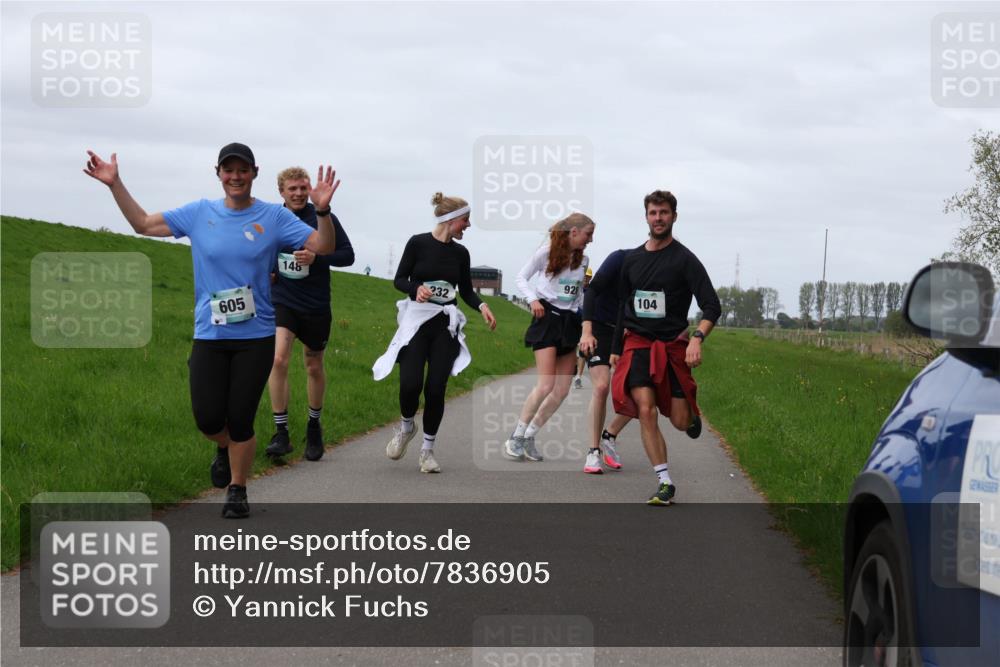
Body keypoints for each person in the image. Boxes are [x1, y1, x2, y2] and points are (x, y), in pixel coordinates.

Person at [83, 143, 339, 518]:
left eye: (243, 170)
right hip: (210, 334)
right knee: (207, 418)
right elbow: (142, 224)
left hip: (256, 336)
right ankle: (224, 447)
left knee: (241, 418)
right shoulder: (198, 213)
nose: (235, 177)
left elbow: (323, 245)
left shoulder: (273, 216)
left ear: (254, 172)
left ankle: (237, 489)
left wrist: (323, 211)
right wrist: (114, 184)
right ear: (218, 173)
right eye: (228, 170)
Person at [372, 193, 496, 473]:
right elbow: (399, 279)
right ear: (450, 220)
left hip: (444, 326)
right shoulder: (418, 243)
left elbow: (464, 290)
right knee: (410, 384)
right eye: (465, 220)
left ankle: (427, 451)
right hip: (417, 323)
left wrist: (483, 305)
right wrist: (415, 288)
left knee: (436, 388)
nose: (468, 226)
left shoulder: (460, 253)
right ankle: (406, 427)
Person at [610, 190, 720, 505]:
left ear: (674, 216)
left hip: (672, 347)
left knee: (680, 421)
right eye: (653, 213)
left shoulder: (685, 260)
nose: (658, 218)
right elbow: (623, 306)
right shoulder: (632, 260)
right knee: (645, 409)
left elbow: (712, 306)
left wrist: (697, 338)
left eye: (664, 213)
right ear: (646, 216)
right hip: (639, 344)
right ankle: (664, 481)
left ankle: (691, 416)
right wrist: (617, 346)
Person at [265, 167, 355, 462]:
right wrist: (269, 272)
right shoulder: (273, 219)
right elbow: (261, 252)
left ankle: (314, 426)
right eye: (292, 189)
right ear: (281, 192)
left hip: (315, 304)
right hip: (283, 300)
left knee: (313, 365)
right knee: (278, 357)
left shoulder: (322, 217)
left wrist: (317, 257)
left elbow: (347, 255)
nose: (299, 193)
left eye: (303, 188)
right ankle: (281, 433)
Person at [504, 213, 595, 462]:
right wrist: (532, 299)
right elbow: (520, 278)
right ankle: (516, 436)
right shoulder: (545, 253)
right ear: (574, 231)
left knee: (563, 389)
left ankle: (530, 435)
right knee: (546, 385)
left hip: (570, 323)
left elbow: (579, 296)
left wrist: (585, 324)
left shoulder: (584, 260)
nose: (591, 240)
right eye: (588, 234)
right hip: (547, 319)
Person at [579, 248, 633, 474]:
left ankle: (609, 436)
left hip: (628, 333)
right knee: (602, 387)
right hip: (600, 328)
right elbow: (591, 291)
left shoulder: (661, 275)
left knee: (642, 394)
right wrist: (587, 330)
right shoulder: (620, 258)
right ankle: (593, 452)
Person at [572, 266, 594, 390]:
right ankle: (573, 365)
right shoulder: (576, 288)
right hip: (573, 321)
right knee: (572, 347)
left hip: (584, 323)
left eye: (588, 277)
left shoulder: (591, 291)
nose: (586, 279)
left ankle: (578, 378)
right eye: (584, 276)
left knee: (582, 350)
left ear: (590, 278)